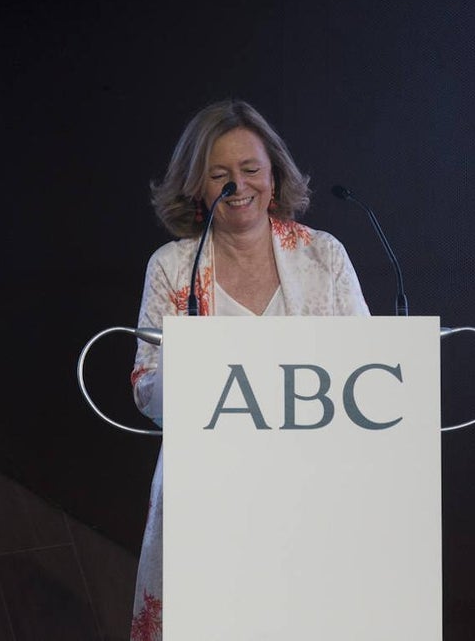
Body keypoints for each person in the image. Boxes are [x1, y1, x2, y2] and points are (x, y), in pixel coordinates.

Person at [128, 99, 370, 641]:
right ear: (197, 187)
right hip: (209, 499)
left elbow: (369, 372)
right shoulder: (171, 267)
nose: (238, 185)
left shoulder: (324, 257)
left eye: (250, 169)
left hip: (311, 497)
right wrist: (192, 368)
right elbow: (145, 389)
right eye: (219, 175)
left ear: (274, 175)